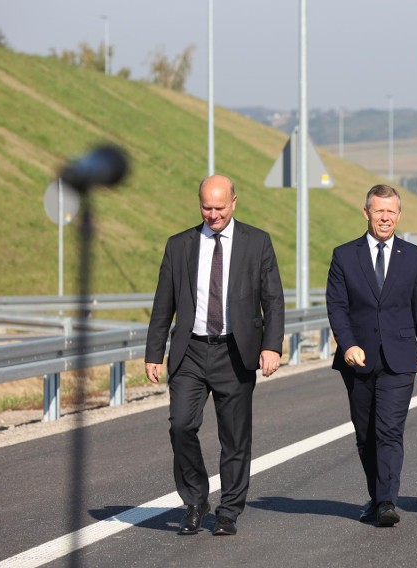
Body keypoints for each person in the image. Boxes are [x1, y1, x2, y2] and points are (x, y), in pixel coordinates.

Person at [144, 174, 285, 536]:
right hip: (190, 352)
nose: (212, 214)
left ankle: (229, 511)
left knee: (235, 438)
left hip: (235, 351)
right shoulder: (180, 246)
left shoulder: (257, 242)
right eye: (206, 207)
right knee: (181, 426)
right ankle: (195, 501)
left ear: (234, 203)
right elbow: (164, 303)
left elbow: (273, 300)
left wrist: (271, 346)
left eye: (219, 207)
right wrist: (154, 352)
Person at [326, 184, 417, 527]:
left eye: (391, 212)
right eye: (379, 211)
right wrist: (347, 344)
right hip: (357, 360)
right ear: (366, 212)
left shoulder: (414, 257)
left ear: (399, 215)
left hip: (400, 358)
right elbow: (337, 307)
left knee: (389, 430)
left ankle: (387, 501)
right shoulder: (344, 255)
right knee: (365, 434)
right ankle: (376, 496)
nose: (385, 217)